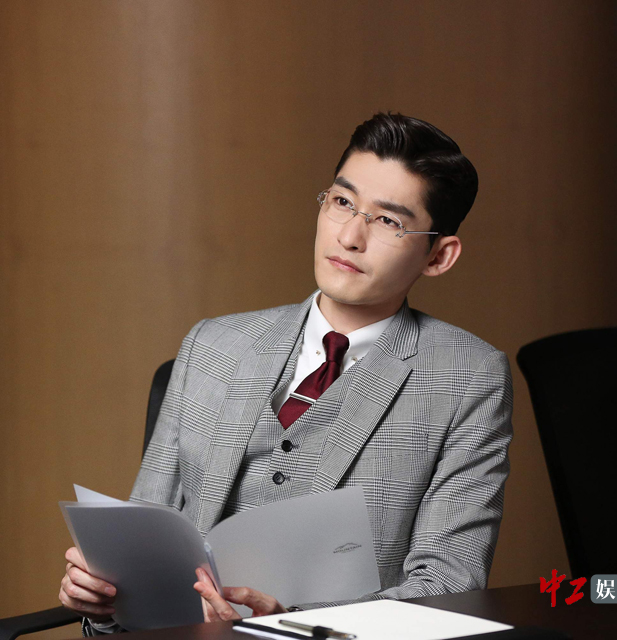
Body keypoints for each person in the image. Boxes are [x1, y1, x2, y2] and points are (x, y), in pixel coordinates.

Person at [59, 113, 513, 634]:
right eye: (342, 202)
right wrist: (104, 599)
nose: (350, 236)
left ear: (438, 256)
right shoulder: (214, 345)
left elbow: (448, 584)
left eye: (389, 221)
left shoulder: (469, 377)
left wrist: (291, 627)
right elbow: (137, 548)